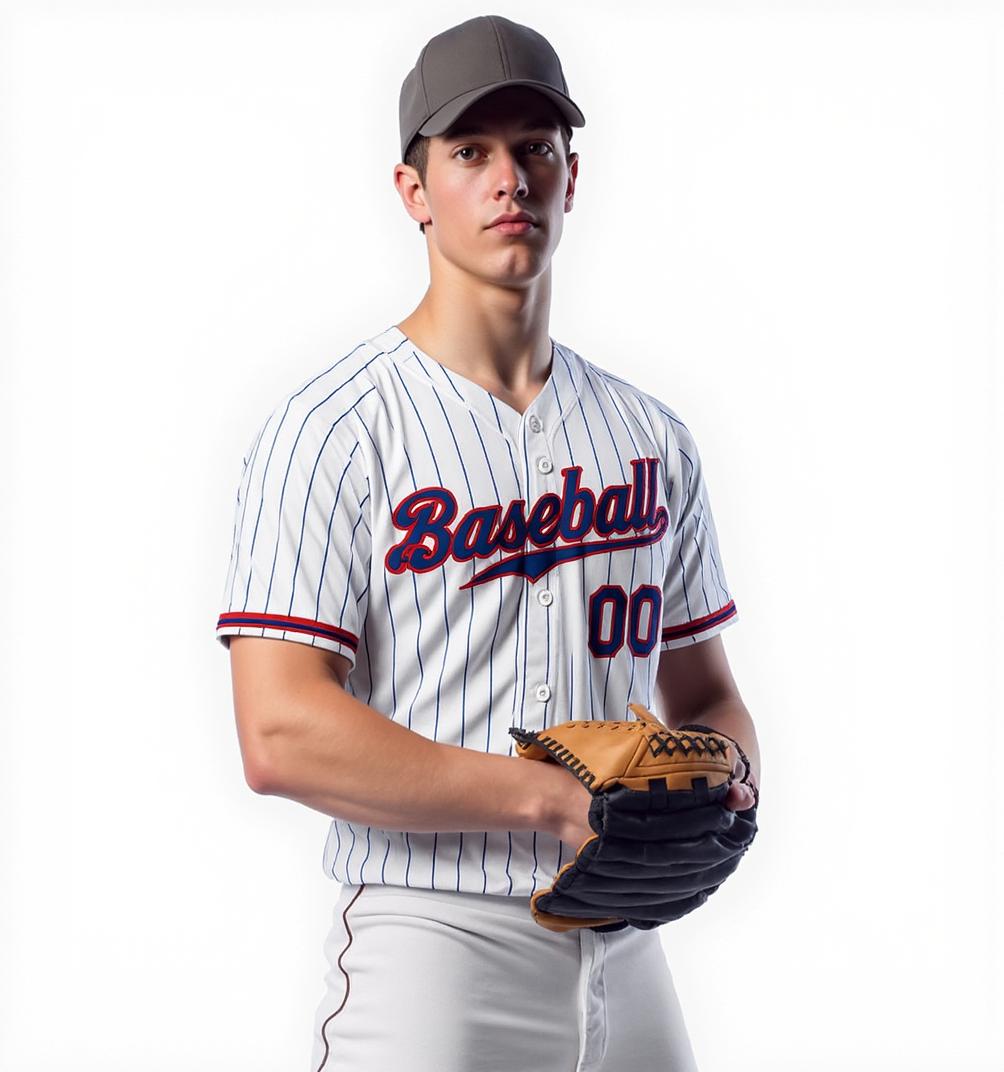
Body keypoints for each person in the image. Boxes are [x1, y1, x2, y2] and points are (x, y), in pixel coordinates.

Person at [215, 14, 761, 1071]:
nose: (508, 176)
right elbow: (278, 731)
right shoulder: (332, 429)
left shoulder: (648, 435)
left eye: (533, 147)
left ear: (570, 175)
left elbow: (705, 696)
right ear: (413, 191)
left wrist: (732, 778)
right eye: (469, 152)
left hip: (628, 946)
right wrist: (549, 799)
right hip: (432, 943)